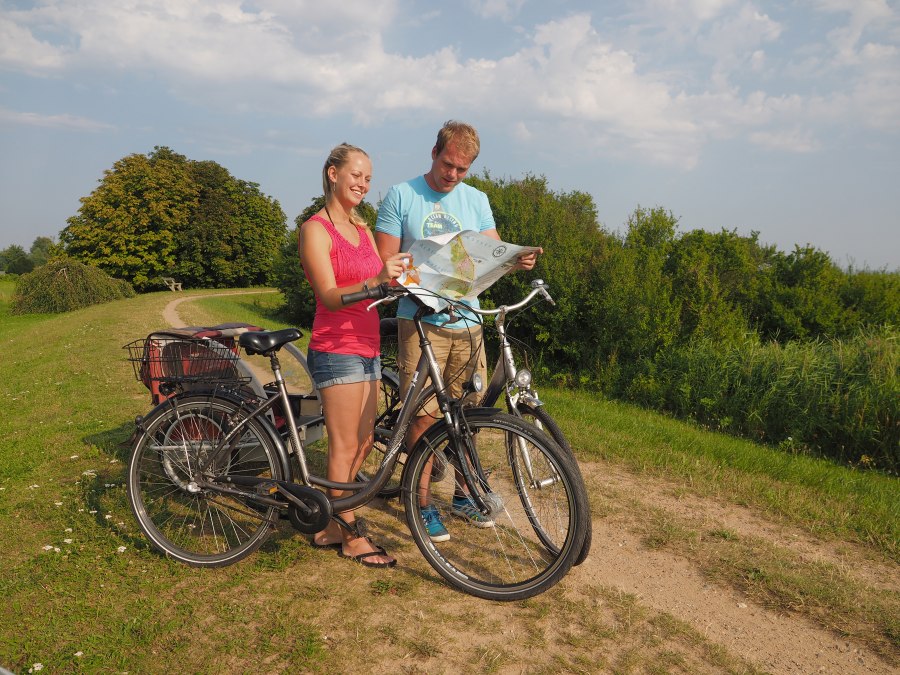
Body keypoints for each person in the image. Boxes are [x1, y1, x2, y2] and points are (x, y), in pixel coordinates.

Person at [375, 120, 541, 542]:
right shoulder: (402, 195)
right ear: (434, 152)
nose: (452, 175)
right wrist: (414, 274)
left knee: (469, 413)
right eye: (448, 164)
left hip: (467, 320)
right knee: (424, 416)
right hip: (421, 320)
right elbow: (384, 263)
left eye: (462, 170)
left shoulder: (477, 200)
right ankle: (422, 500)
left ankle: (464, 494)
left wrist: (516, 260)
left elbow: (493, 252)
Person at [299, 143, 407, 568]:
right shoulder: (316, 230)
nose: (363, 183)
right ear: (332, 174)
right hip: (335, 347)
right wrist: (378, 280)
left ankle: (327, 525)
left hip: (368, 347)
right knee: (344, 446)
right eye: (356, 174)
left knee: (363, 442)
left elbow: (378, 283)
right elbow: (328, 294)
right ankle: (349, 533)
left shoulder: (363, 229)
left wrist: (398, 279)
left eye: (367, 177)